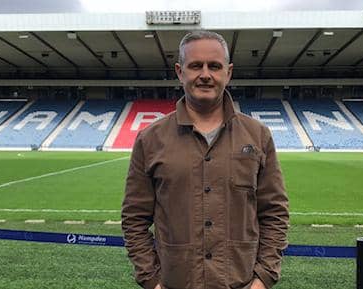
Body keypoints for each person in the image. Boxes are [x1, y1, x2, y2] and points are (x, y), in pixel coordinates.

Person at [122, 30, 289, 289]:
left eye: (214, 66)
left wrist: (262, 280)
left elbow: (275, 213)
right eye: (195, 66)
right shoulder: (150, 139)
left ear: (228, 72)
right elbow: (134, 218)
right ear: (180, 71)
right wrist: (152, 281)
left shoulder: (258, 136)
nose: (205, 74)